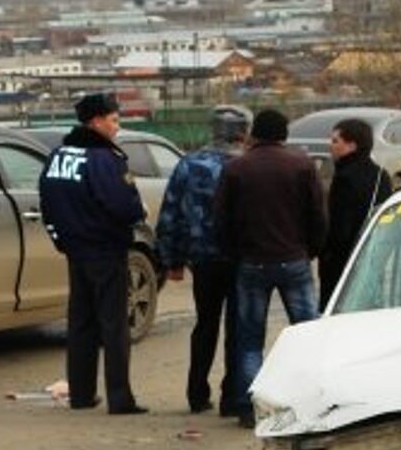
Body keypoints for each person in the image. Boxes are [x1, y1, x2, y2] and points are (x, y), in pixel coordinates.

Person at [213, 108, 328, 425]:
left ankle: (251, 407)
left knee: (249, 340)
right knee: (307, 333)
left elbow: (221, 219)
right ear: (284, 134)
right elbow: (318, 216)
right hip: (294, 260)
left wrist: (234, 253)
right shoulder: (302, 166)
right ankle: (314, 399)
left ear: (255, 134)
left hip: (251, 263)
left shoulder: (236, 168)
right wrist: (311, 250)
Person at [38, 92, 149, 415]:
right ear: (97, 121)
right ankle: (120, 398)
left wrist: (62, 240)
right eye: (114, 120)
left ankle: (82, 394)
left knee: (81, 324)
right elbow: (122, 205)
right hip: (106, 249)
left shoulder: (58, 156)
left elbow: (47, 202)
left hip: (75, 250)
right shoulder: (103, 159)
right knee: (114, 325)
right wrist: (136, 212)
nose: (117, 127)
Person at [156, 105, 250, 417]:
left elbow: (171, 213)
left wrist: (172, 259)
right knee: (238, 327)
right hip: (241, 258)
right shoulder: (247, 165)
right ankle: (232, 397)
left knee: (205, 324)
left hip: (203, 259)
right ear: (242, 132)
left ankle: (197, 394)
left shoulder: (189, 163)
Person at [318, 117, 393, 306]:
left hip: (345, 262)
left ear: (352, 145)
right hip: (372, 255)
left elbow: (339, 229)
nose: (331, 146)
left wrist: (325, 255)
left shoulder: (344, 178)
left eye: (336, 141)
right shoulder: (381, 175)